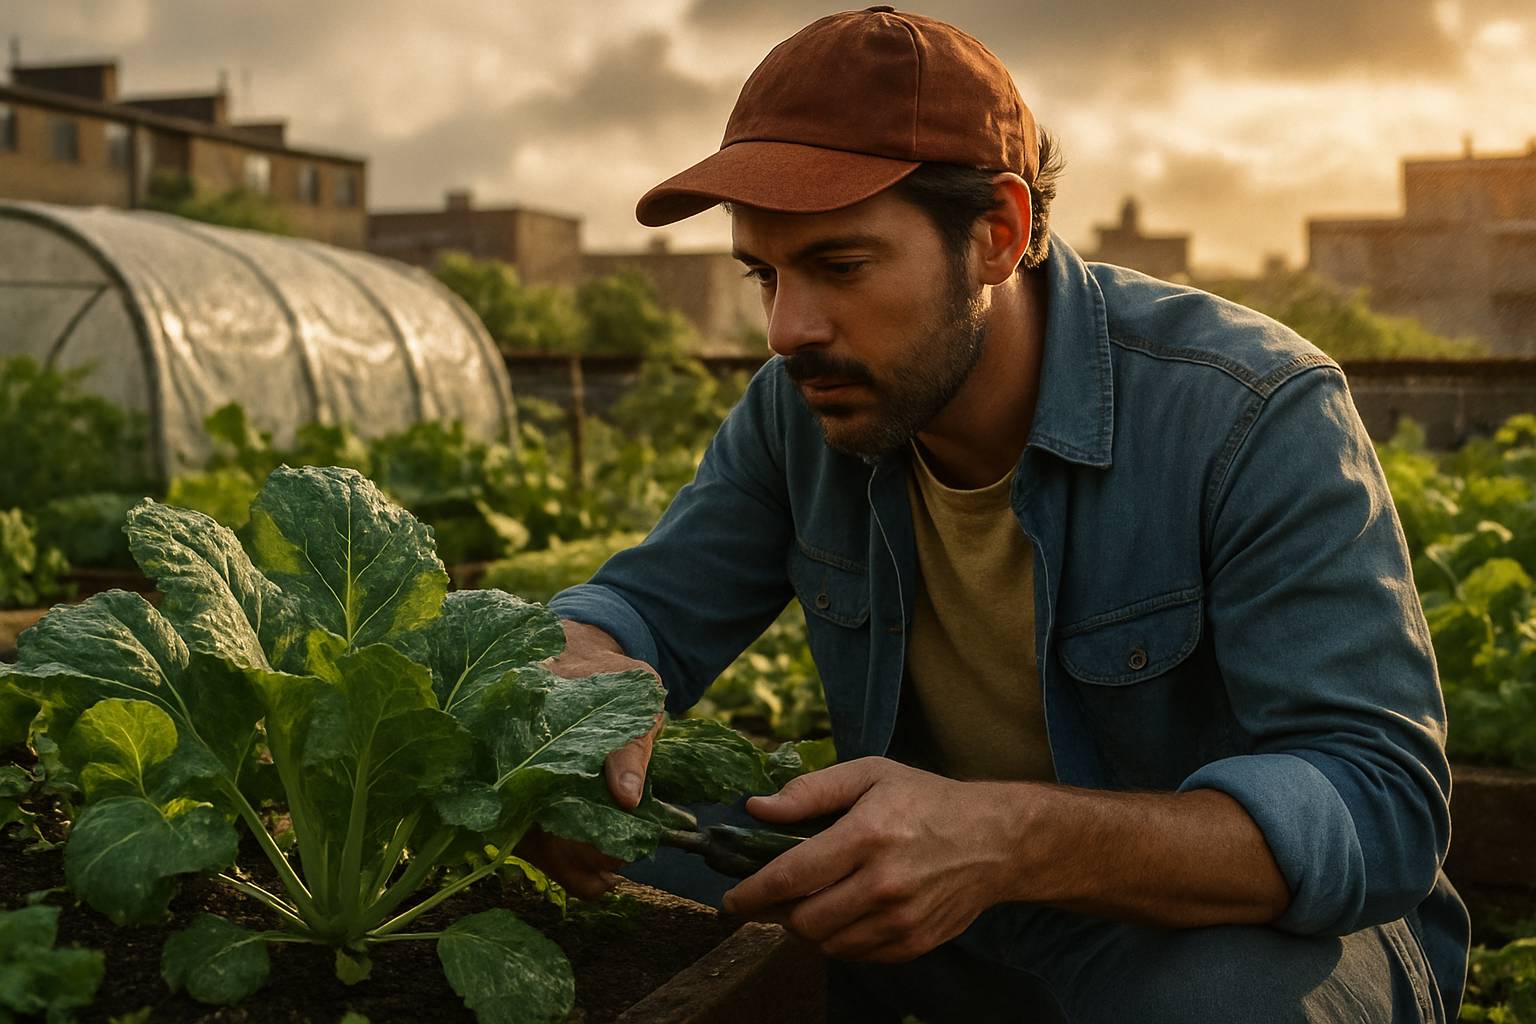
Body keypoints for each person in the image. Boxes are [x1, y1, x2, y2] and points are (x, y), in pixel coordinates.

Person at [523, 7, 1471, 1021]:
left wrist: (1007, 836)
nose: (788, 328)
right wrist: (582, 668)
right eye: (766, 273)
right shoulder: (805, 403)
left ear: (1000, 233)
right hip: (935, 902)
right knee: (630, 838)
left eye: (841, 267)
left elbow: (1381, 804)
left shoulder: (1247, 410)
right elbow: (642, 611)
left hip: (1226, 937)